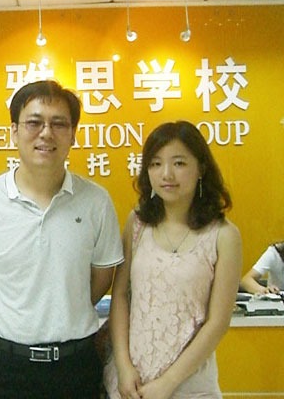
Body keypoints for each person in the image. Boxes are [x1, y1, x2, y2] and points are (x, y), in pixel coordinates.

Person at [0, 80, 124, 399]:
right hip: (5, 368)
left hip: (76, 367)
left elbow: (101, 280)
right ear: (14, 132)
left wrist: (63, 307)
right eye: (34, 122)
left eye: (59, 124)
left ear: (73, 135)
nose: (46, 133)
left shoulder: (96, 201)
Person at [103, 121, 242, 399]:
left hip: (190, 385)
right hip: (131, 383)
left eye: (179, 163)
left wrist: (168, 383)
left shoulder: (224, 235)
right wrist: (123, 366)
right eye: (155, 164)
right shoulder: (138, 223)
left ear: (201, 168)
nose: (166, 174)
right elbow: (120, 296)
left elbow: (218, 322)